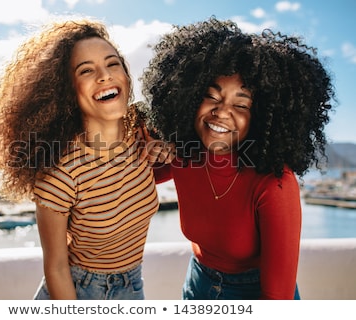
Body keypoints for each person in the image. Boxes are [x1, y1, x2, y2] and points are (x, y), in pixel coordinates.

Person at [140, 17, 336, 299]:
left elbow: (277, 300)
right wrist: (145, 144)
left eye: (241, 104)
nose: (221, 111)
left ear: (262, 118)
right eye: (211, 96)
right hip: (197, 283)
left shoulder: (274, 185)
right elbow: (129, 173)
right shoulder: (184, 154)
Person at [0, 18, 160, 300]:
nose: (105, 76)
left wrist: (163, 146)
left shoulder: (141, 126)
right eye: (86, 70)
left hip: (133, 285)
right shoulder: (60, 174)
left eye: (112, 63)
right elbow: (56, 268)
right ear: (67, 91)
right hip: (83, 291)